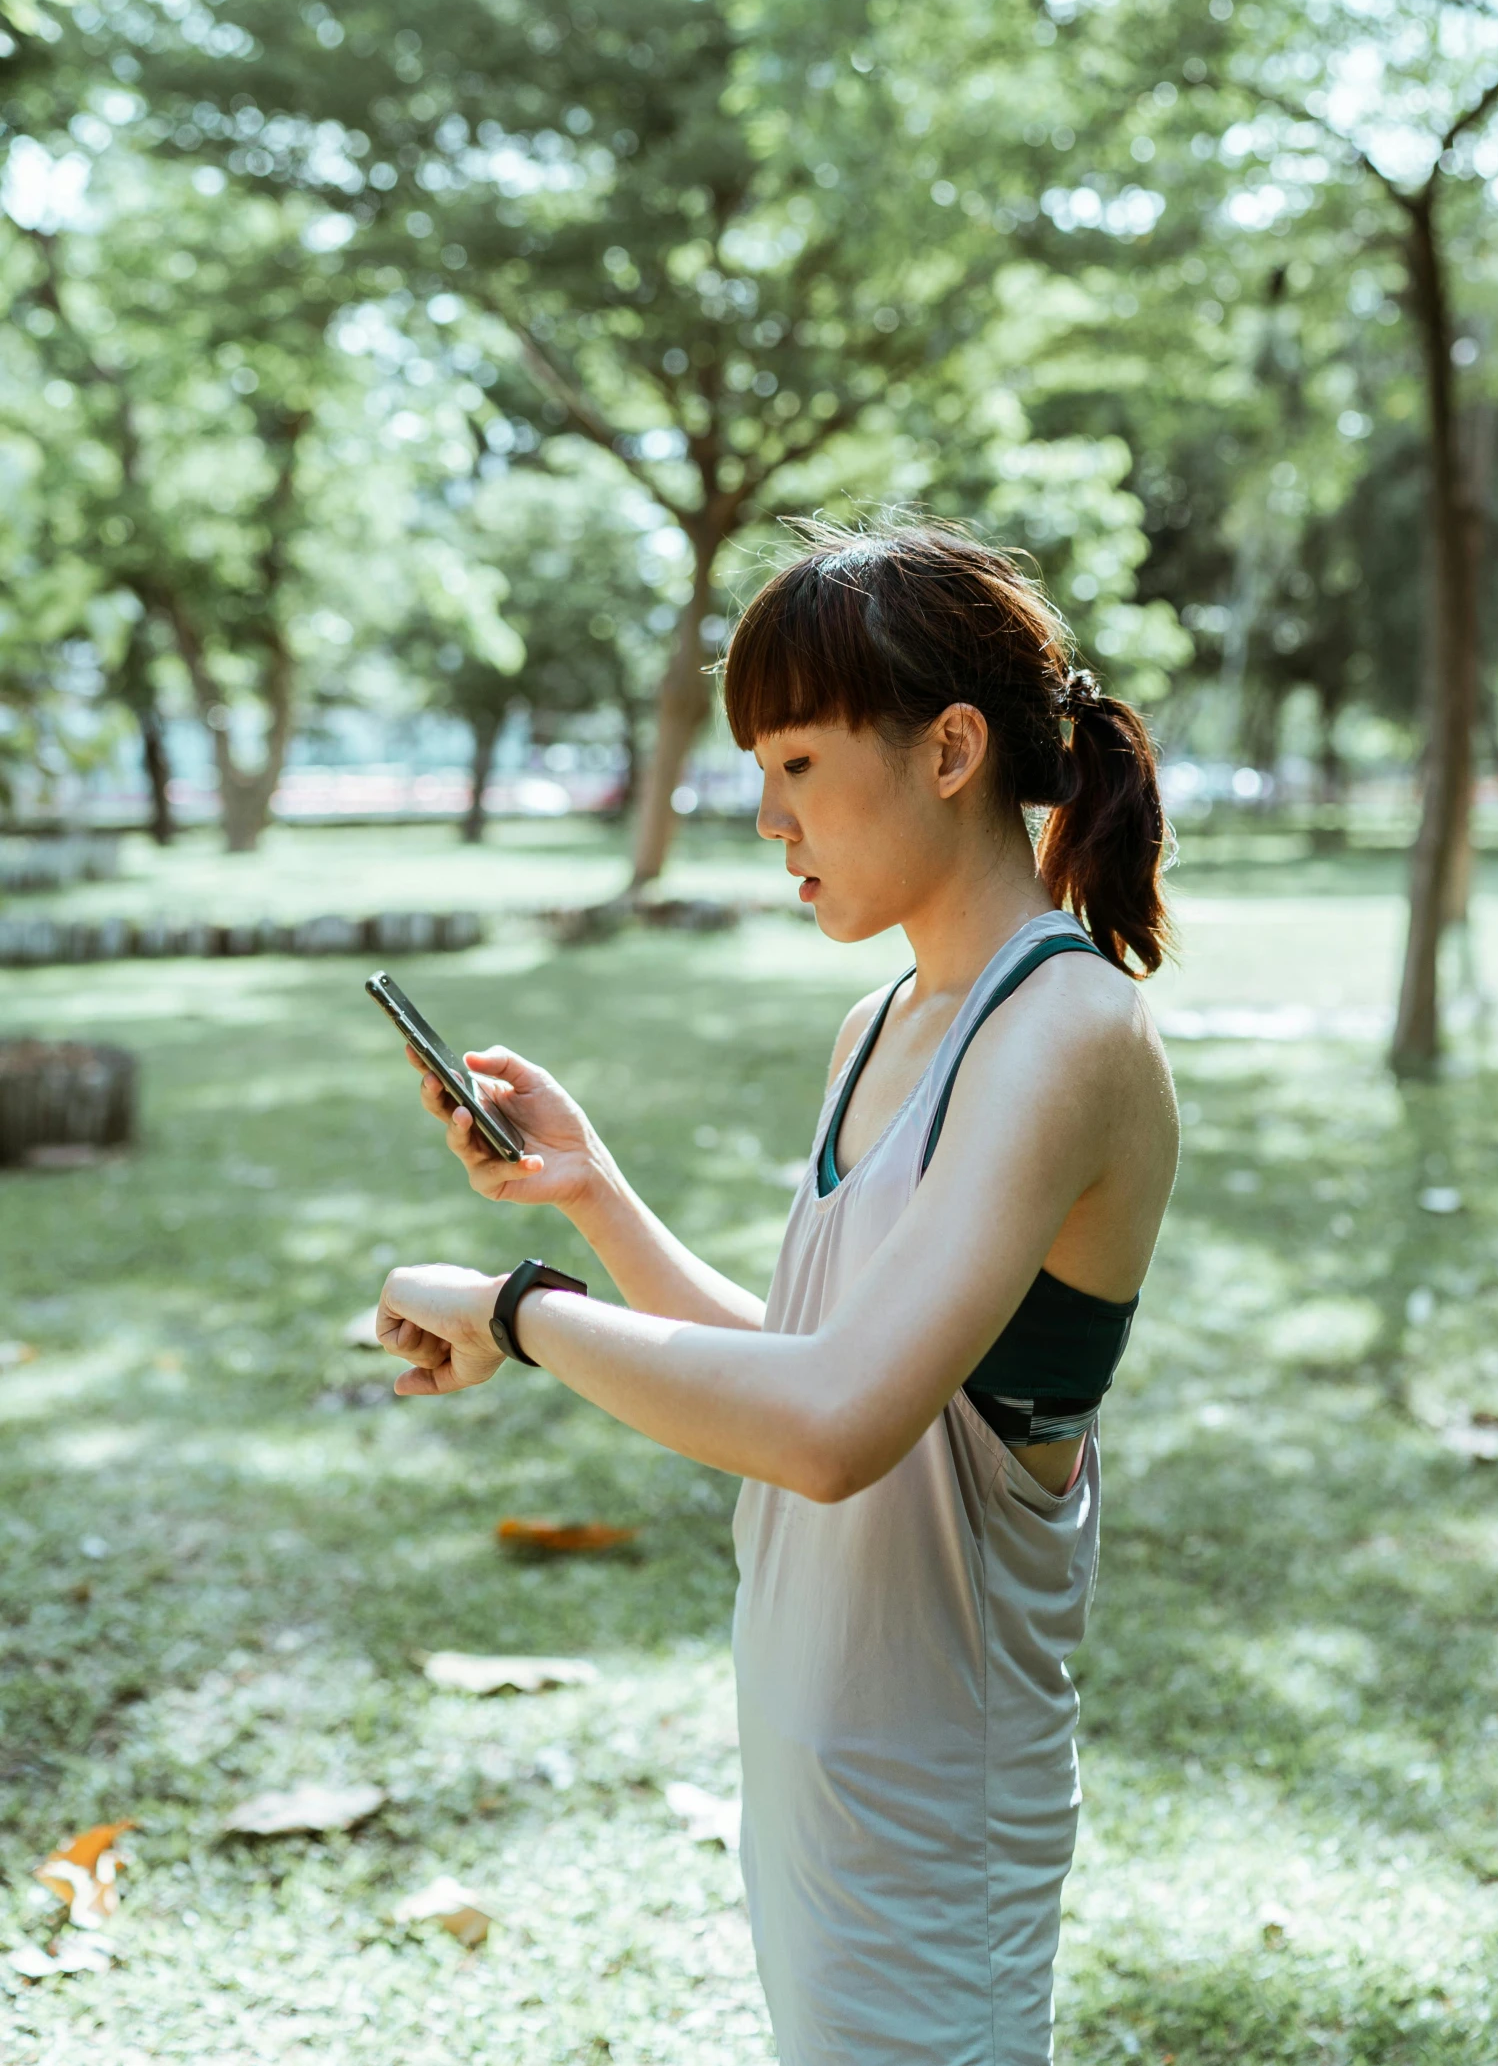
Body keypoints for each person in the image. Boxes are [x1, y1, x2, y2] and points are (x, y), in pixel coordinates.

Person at [377, 519, 1180, 2066]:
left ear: (950, 750)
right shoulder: (883, 1021)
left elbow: (831, 1433)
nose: (764, 817)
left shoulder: (1067, 1031)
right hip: (820, 1773)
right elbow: (818, 1364)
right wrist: (593, 1199)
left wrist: (518, 1308)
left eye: (798, 764)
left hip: (942, 1812)